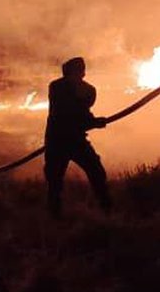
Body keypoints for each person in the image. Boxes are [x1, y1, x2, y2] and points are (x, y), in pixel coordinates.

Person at [44, 57, 112, 218]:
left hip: (75, 140)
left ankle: (107, 209)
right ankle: (54, 216)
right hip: (58, 140)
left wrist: (93, 121)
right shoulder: (57, 87)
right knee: (55, 181)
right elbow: (69, 114)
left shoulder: (87, 90)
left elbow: (83, 113)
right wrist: (94, 122)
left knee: (96, 171)